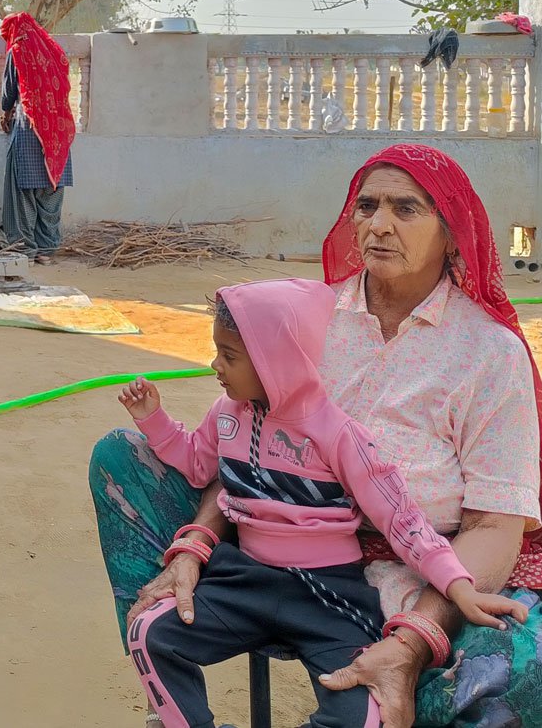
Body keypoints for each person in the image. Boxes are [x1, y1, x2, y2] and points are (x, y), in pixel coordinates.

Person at [89, 144, 542, 727]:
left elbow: (493, 527)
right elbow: (243, 443)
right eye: (366, 206)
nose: (378, 225)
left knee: (508, 682)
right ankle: (172, 683)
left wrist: (412, 641)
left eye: (406, 208)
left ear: (452, 234)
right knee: (121, 460)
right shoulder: (309, 320)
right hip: (274, 544)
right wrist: (194, 545)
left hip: (420, 571)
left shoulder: (488, 354)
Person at [118, 279, 526, 728]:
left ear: (276, 362)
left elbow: (401, 521)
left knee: (366, 715)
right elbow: (198, 465)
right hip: (244, 578)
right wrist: (153, 421)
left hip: (328, 593)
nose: (216, 365)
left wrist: (457, 585)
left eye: (229, 356)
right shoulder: (226, 414)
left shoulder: (338, 434)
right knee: (149, 633)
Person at [0, 12, 75, 265]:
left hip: (29, 127)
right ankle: (46, 251)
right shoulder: (53, 50)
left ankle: (24, 250)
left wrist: (5, 112)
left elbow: (9, 92)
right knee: (51, 192)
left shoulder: (18, 51)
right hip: (58, 129)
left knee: (22, 192)